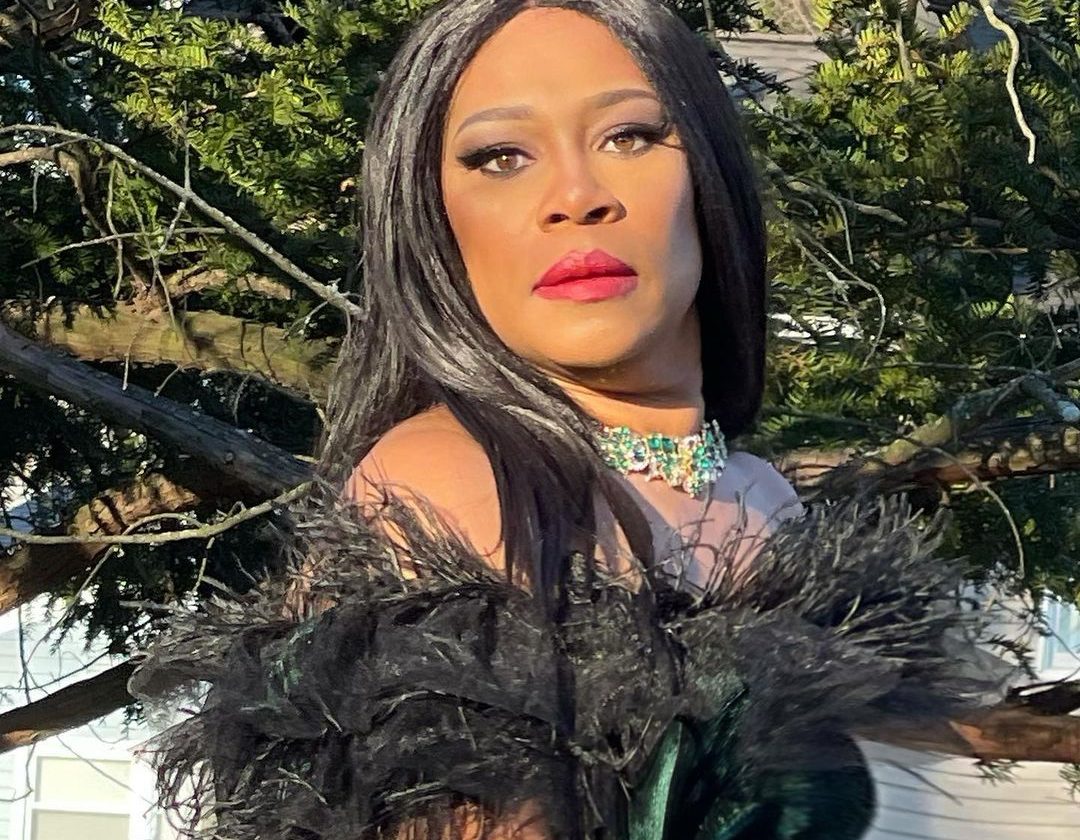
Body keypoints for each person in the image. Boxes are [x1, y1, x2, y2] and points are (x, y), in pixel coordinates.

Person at [132, 2, 1011, 838]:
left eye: (629, 136)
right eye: (500, 156)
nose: (576, 196)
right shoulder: (454, 485)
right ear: (432, 218)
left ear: (709, 173)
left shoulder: (763, 497)